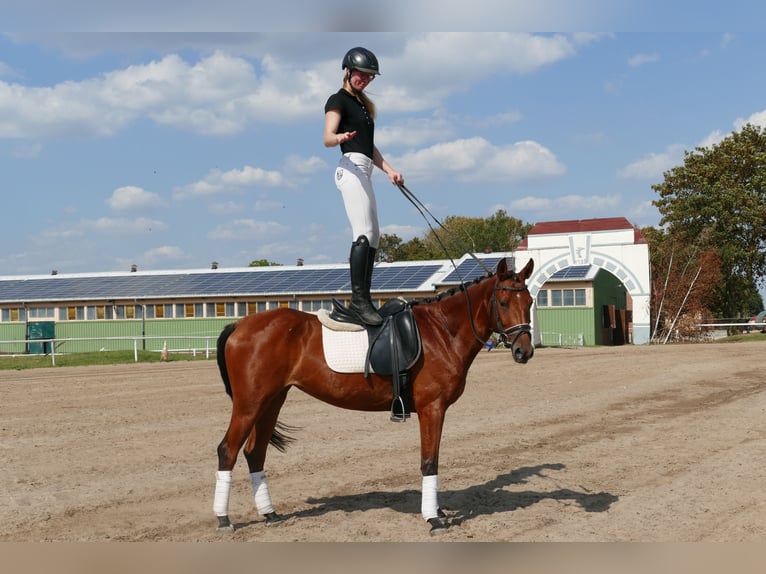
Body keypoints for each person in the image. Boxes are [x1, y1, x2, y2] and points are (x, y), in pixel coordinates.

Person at [324, 46, 404, 326]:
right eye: (362, 74)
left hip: (365, 168)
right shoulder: (339, 100)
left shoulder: (361, 105)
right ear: (348, 71)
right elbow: (327, 137)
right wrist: (341, 136)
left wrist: (390, 171)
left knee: (375, 236)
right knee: (364, 233)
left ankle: (364, 299)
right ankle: (359, 302)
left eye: (370, 76)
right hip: (349, 167)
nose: (366, 80)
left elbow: (369, 147)